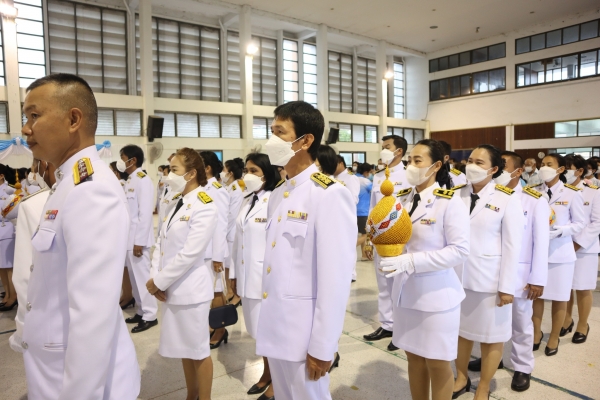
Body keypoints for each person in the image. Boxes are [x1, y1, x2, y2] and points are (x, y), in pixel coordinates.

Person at [20, 73, 139, 399]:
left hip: (77, 383)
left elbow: (92, 316)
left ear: (73, 120)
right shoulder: (68, 182)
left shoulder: (90, 190)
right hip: (53, 371)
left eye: (34, 115)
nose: (26, 129)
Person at [256, 101, 355, 399]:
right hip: (277, 325)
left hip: (304, 334)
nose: (272, 140)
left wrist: (323, 345)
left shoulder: (329, 194)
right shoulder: (279, 193)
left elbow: (335, 279)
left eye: (280, 132)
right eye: (272, 131)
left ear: (306, 140)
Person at [380, 139, 469, 400]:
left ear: (436, 165)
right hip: (405, 294)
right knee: (414, 359)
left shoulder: (449, 202)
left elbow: (459, 251)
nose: (411, 165)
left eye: (417, 161)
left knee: (437, 363)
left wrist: (412, 261)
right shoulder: (402, 199)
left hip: (436, 299)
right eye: (410, 160)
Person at [468, 151, 550, 392]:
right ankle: (492, 359)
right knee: (490, 321)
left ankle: (523, 366)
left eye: (504, 165)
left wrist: (537, 279)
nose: (500, 169)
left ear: (517, 171)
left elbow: (541, 243)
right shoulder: (486, 195)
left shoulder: (533, 200)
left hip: (520, 276)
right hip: (490, 273)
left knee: (521, 323)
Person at [452, 145, 524, 400]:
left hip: (490, 282)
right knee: (460, 333)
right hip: (456, 279)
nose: (471, 165)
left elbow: (513, 246)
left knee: (491, 337)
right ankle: (461, 378)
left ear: (494, 169)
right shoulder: (455, 194)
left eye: (479, 162)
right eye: (470, 160)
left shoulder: (507, 198)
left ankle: (483, 386)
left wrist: (507, 287)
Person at [146, 148, 217, 400]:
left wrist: (159, 281)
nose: (169, 175)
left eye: (174, 170)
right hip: (171, 288)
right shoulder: (177, 201)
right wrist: (154, 278)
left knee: (198, 351)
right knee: (185, 350)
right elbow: (161, 243)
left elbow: (190, 253)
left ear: (191, 174)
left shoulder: (205, 205)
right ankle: (192, 395)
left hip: (191, 290)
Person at [231, 152, 280, 400]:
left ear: (267, 175)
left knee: (269, 334)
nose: (248, 175)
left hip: (265, 280)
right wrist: (233, 275)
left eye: (254, 171)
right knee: (257, 332)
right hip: (246, 276)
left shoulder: (275, 199)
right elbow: (237, 240)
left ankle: (274, 381)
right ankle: (268, 372)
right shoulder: (247, 199)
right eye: (246, 170)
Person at [532, 153, 584, 357]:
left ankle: (554, 336)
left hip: (561, 253)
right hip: (537, 253)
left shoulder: (571, 193)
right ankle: (536, 333)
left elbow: (579, 223)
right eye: (542, 164)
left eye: (549, 164)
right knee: (535, 296)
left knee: (560, 297)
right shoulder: (534, 191)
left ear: (561, 169)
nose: (543, 167)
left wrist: (561, 231)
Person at [364, 134, 409, 350]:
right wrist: (369, 237)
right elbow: (373, 208)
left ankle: (401, 329)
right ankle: (387, 325)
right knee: (383, 284)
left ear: (399, 151)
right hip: (380, 237)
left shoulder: (409, 175)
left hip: (399, 238)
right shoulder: (379, 176)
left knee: (399, 285)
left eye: (387, 147)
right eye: (383, 146)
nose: (383, 150)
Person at [6, 158, 54, 352]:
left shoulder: (33, 204)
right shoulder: (100, 189)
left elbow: (25, 274)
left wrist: (24, 328)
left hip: (47, 322)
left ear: (44, 164)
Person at [119, 144, 158, 333]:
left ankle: (150, 315)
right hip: (129, 239)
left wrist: (139, 242)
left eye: (122, 158)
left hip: (137, 241)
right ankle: (141, 310)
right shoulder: (130, 180)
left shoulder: (143, 180)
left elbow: (145, 214)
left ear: (132, 160)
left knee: (142, 279)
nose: (120, 162)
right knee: (135, 280)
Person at [561, 154, 600, 345]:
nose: (565, 171)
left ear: (580, 171)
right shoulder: (561, 190)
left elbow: (596, 222)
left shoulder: (593, 192)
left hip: (585, 248)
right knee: (565, 287)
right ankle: (567, 320)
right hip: (562, 247)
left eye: (568, 167)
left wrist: (577, 244)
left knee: (583, 287)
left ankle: (583, 324)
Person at [198, 150, 230, 348]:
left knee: (216, 291)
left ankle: (220, 329)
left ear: (207, 168)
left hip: (212, 252)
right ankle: (211, 325)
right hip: (200, 250)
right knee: (205, 291)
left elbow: (221, 224)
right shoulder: (200, 188)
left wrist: (218, 256)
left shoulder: (217, 191)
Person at [221, 157, 246, 307]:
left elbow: (231, 214)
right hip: (227, 231)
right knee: (227, 264)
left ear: (230, 173)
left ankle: (233, 292)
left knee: (231, 265)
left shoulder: (236, 190)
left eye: (224, 170)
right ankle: (229, 291)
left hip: (230, 232)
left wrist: (222, 232)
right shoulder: (229, 187)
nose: (222, 172)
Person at [356, 163, 373, 264]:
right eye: (370, 172)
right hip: (363, 212)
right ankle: (349, 247)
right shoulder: (366, 182)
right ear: (366, 172)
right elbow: (375, 192)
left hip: (354, 211)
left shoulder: (353, 179)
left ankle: (364, 255)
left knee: (363, 233)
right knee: (367, 235)